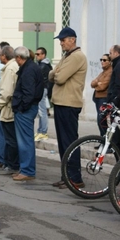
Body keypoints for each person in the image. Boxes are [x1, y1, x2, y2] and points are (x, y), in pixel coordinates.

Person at [48, 27, 87, 189]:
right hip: (61, 103)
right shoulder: (68, 56)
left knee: (70, 142)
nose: (61, 43)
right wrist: (55, 73)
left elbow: (60, 77)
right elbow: (51, 74)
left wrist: (55, 73)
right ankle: (66, 176)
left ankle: (75, 178)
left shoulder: (76, 57)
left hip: (69, 104)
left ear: (72, 39)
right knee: (63, 143)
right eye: (60, 41)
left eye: (63, 40)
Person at [12, 46, 44, 181]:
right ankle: (26, 169)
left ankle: (27, 171)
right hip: (27, 108)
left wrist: (21, 107)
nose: (16, 61)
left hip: (26, 109)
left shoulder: (29, 70)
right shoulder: (31, 67)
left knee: (25, 141)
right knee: (25, 140)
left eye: (16, 58)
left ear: (19, 58)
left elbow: (28, 93)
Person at [0, 46, 20, 176]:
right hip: (10, 106)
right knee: (11, 138)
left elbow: (6, 91)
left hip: (8, 107)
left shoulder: (10, 68)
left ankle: (12, 165)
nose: (0, 57)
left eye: (0, 55)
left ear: (4, 56)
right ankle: (10, 163)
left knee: (10, 138)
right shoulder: (12, 67)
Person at [35, 47, 53, 141]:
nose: (36, 56)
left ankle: (43, 132)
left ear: (43, 55)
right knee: (41, 111)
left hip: (42, 89)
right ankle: (40, 131)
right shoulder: (42, 64)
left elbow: (39, 79)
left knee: (42, 112)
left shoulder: (43, 66)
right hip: (42, 89)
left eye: (38, 54)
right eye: (36, 54)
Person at [91, 54, 112, 136]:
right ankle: (102, 140)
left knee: (101, 121)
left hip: (103, 98)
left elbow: (102, 86)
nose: (102, 62)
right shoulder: (103, 72)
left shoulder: (110, 72)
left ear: (110, 62)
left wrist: (96, 84)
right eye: (101, 60)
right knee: (100, 121)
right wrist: (96, 83)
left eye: (104, 60)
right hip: (98, 98)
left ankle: (105, 141)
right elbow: (92, 83)